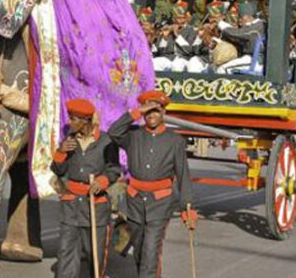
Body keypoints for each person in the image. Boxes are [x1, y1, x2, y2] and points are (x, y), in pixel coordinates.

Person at [107, 90, 197, 277]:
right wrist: (136, 112)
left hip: (160, 203)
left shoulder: (175, 141)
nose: (152, 115)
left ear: (164, 112)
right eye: (148, 112)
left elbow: (182, 175)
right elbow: (113, 132)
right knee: (140, 252)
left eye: (156, 110)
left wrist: (187, 207)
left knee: (150, 253)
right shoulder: (133, 136)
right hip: (135, 201)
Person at [51, 99, 120, 278]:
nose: (70, 123)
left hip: (95, 206)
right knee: (67, 252)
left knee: (94, 253)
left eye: (73, 119)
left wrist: (102, 181)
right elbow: (59, 170)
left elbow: (114, 169)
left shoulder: (107, 142)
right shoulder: (69, 141)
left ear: (85, 121)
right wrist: (60, 152)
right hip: (71, 205)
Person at [216, 1, 266, 74]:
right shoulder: (251, 26)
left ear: (247, 16)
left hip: (254, 60)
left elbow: (239, 33)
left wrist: (221, 24)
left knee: (223, 68)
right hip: (248, 58)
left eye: (240, 17)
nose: (239, 20)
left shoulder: (258, 26)